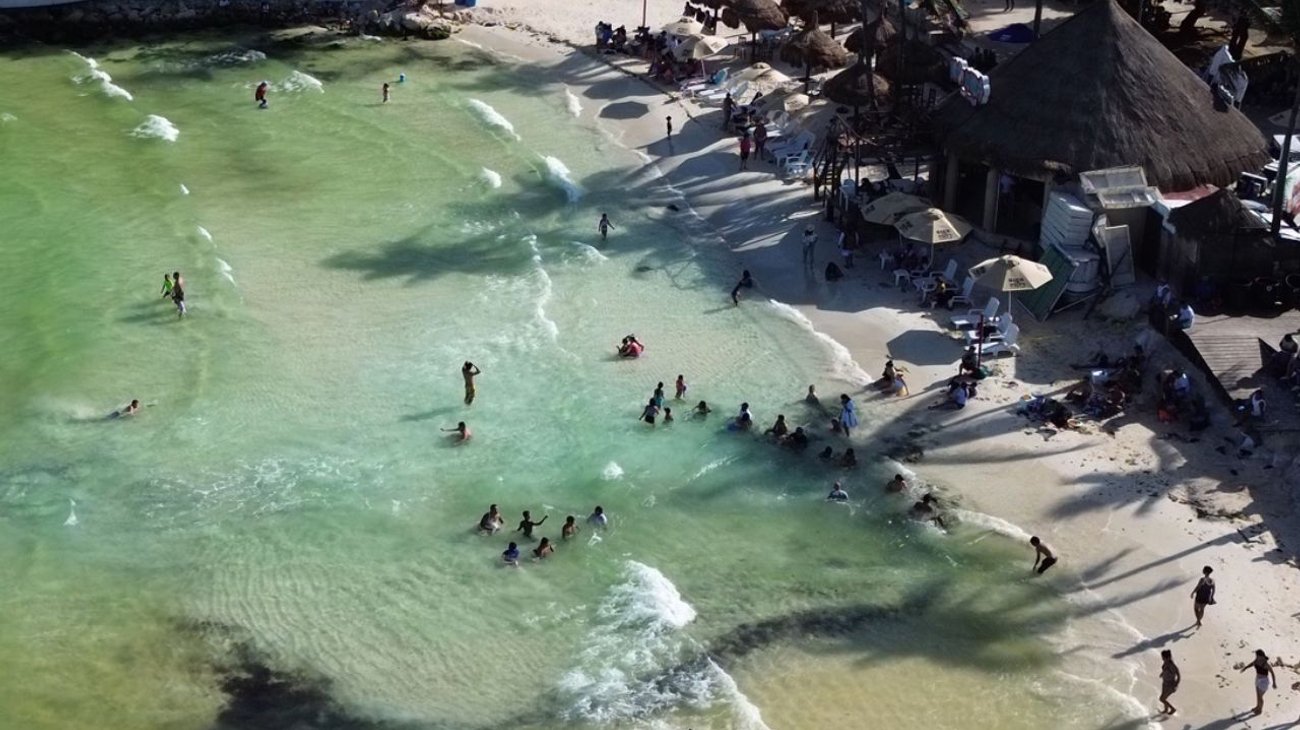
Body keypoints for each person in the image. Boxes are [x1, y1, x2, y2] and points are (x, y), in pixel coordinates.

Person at [1240, 649, 1276, 716]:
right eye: (1256, 656)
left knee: (1260, 696)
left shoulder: (1265, 664)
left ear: (1261, 656)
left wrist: (1274, 683)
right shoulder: (1256, 661)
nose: (1257, 657)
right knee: (1257, 695)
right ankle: (1257, 706)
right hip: (1257, 679)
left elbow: (1272, 673)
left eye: (1258, 656)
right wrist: (1245, 668)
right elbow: (1252, 664)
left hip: (1264, 681)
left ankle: (1260, 710)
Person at [1157, 649, 1180, 715]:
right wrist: (1162, 673)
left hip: (1170, 685)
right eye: (1162, 657)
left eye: (1163, 658)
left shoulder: (1172, 665)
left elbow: (1178, 675)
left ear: (1168, 657)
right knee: (1164, 697)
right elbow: (1165, 669)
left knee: (1162, 699)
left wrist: (1176, 684)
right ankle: (1166, 710)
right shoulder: (1165, 662)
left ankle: (1173, 709)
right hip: (1165, 683)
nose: (1162, 659)